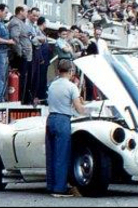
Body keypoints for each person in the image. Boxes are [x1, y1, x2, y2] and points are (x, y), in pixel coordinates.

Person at [45, 59, 85, 197]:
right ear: (71, 71)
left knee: (51, 155)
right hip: (63, 120)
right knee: (62, 155)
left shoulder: (52, 85)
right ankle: (59, 188)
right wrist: (86, 109)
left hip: (50, 119)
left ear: (58, 71)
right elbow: (79, 109)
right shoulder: (71, 86)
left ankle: (50, 185)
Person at [8, 5, 33, 104]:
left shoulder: (22, 23)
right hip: (20, 57)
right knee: (20, 79)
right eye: (27, 11)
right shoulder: (15, 22)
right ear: (20, 11)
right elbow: (15, 38)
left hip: (25, 55)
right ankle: (18, 100)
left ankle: (22, 99)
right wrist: (20, 53)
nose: (28, 13)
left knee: (24, 79)